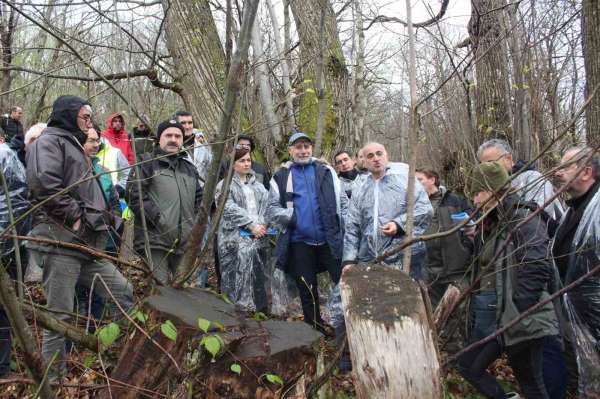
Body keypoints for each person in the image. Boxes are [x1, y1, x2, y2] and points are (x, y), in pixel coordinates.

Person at [25, 96, 133, 378]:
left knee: (123, 291)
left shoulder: (73, 144)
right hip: (61, 242)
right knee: (60, 315)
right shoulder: (49, 142)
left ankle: (122, 359)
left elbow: (87, 190)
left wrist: (106, 219)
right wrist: (76, 217)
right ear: (68, 114)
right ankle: (54, 381)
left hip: (87, 245)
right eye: (85, 116)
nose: (89, 122)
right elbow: (44, 185)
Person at [457, 161, 558, 399]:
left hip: (523, 318)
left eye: (477, 192)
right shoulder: (497, 219)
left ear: (492, 190)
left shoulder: (522, 216)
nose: (474, 199)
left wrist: (519, 308)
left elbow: (535, 264)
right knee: (470, 366)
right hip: (505, 318)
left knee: (531, 383)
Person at [267, 132, 348, 334]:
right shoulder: (281, 176)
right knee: (307, 288)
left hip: (330, 240)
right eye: (298, 147)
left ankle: (345, 328)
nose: (303, 151)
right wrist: (293, 218)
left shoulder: (326, 171)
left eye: (306, 146)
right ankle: (315, 332)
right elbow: (271, 209)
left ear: (311, 148)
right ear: (290, 150)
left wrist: (345, 230)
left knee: (343, 283)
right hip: (299, 242)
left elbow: (342, 202)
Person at [127, 119, 203, 285]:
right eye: (168, 135)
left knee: (188, 292)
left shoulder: (189, 168)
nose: (173, 139)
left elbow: (200, 199)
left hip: (185, 242)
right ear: (159, 138)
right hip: (155, 241)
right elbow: (135, 196)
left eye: (177, 136)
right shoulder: (145, 163)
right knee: (159, 293)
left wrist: (194, 225)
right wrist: (159, 219)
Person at [553, 146, 600, 396]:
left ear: (586, 172)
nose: (557, 172)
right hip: (575, 315)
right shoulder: (575, 206)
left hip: (594, 320)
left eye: (564, 167)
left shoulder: (597, 208)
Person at [342, 142, 432, 273]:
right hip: (370, 258)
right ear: (364, 162)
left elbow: (425, 209)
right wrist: (349, 260)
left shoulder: (405, 179)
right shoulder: (360, 189)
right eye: (370, 156)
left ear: (386, 156)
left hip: (405, 255)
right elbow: (352, 226)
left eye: (379, 154)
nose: (376, 158)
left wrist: (398, 225)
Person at [216, 147, 269, 312]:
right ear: (233, 164)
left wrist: (262, 225)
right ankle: (235, 314)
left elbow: (268, 206)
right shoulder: (224, 185)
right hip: (234, 241)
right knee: (235, 277)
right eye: (242, 161)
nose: (246, 164)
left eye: (248, 160)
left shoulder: (258, 186)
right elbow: (228, 208)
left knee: (257, 276)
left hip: (258, 238)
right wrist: (251, 225)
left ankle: (260, 311)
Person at [416, 168, 471, 307]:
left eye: (419, 180)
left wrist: (465, 248)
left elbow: (471, 223)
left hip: (455, 268)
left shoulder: (454, 200)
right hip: (428, 269)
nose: (416, 184)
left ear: (432, 180)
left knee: (458, 310)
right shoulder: (415, 204)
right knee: (432, 311)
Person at [477, 139, 563, 226]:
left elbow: (540, 218)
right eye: (482, 166)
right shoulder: (490, 188)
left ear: (508, 158)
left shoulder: (532, 178)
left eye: (490, 163)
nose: (486, 170)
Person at [0, 132, 30, 378]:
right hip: (12, 240)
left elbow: (15, 201)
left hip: (7, 242)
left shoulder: (5, 156)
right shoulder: (9, 156)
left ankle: (3, 365)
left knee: (4, 306)